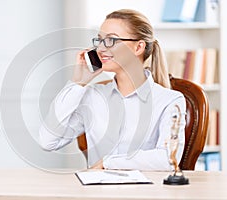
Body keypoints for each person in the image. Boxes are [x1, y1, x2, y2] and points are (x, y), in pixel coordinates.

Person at [39, 9, 186, 171]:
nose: (101, 49)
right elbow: (48, 141)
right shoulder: (93, 97)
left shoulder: (169, 100)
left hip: (145, 193)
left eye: (111, 40)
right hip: (98, 193)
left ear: (138, 47)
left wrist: (107, 163)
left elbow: (167, 159)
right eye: (99, 40)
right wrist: (78, 83)